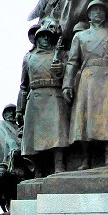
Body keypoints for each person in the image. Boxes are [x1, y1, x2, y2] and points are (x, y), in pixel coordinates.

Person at [63, 0, 108, 168]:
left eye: (100, 10)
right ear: (88, 15)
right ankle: (86, 158)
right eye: (94, 10)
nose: (97, 13)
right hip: (88, 78)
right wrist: (67, 84)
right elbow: (72, 62)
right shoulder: (80, 37)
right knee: (85, 117)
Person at [17, 19, 69, 175]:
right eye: (42, 36)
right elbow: (23, 86)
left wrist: (61, 68)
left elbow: (69, 74)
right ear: (37, 38)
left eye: (48, 36)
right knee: (34, 137)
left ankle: (59, 164)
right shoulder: (29, 58)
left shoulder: (59, 55)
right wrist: (20, 109)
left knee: (57, 133)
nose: (45, 39)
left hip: (54, 94)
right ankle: (38, 169)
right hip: (35, 98)